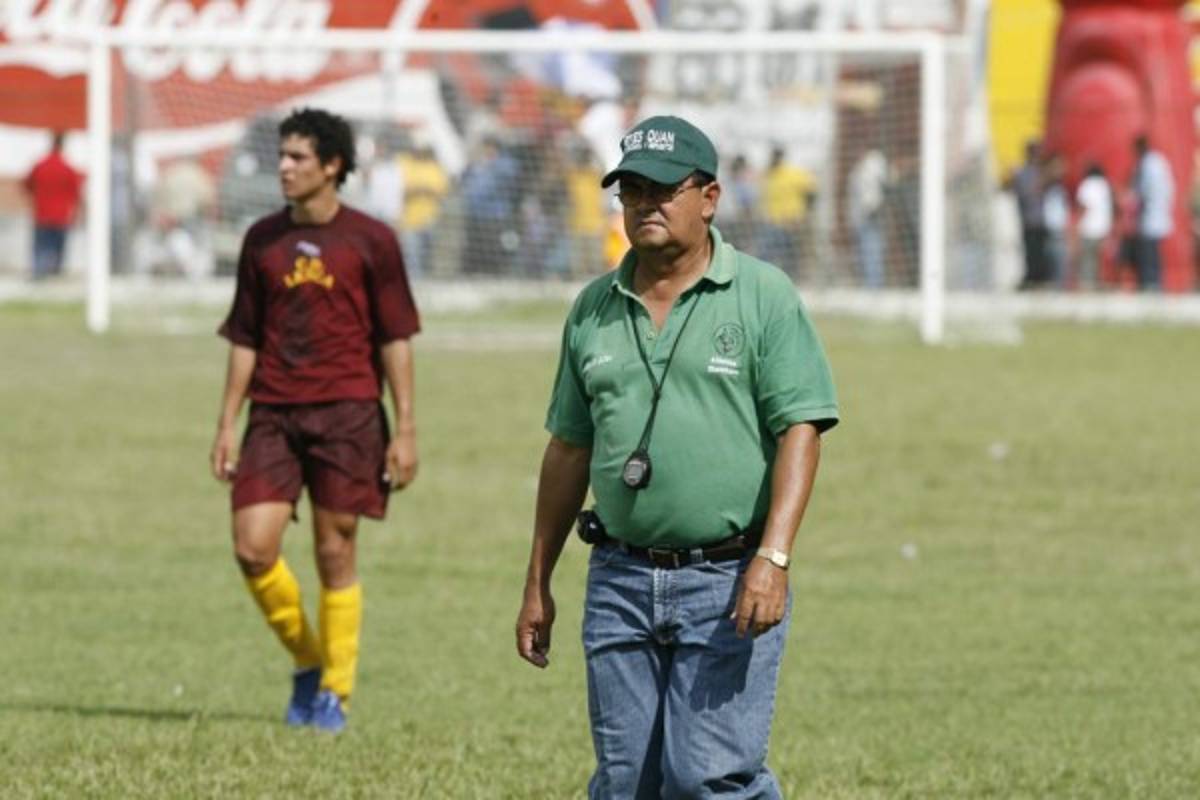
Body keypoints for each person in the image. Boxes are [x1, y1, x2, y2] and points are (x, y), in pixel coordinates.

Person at [515, 115, 839, 798]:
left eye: (663, 189)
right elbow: (568, 449)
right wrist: (537, 580)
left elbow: (801, 430)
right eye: (630, 190)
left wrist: (772, 559)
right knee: (627, 781)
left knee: (707, 779)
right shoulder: (593, 309)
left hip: (725, 580)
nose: (644, 204)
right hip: (619, 579)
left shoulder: (762, 296)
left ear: (710, 197)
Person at [210, 108, 420, 733]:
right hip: (272, 414)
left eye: (298, 157)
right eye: (281, 155)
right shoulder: (261, 240)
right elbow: (244, 338)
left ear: (333, 166)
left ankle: (335, 691)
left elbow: (396, 338)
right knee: (252, 548)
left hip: (349, 414)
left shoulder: (372, 240)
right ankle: (308, 659)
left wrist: (405, 426)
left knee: (335, 551)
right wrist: (226, 422)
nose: (284, 167)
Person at [22, 131, 85, 280]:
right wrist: (78, 213)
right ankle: (54, 277)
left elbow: (26, 185)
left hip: (42, 214)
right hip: (61, 216)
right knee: (58, 251)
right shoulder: (68, 169)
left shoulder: (40, 165)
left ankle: (38, 273)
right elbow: (76, 193)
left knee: (41, 248)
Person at [758, 145, 816, 280]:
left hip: (791, 221)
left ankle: (788, 279)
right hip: (774, 221)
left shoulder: (792, 173)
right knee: (772, 253)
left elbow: (811, 192)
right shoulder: (770, 174)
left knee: (786, 254)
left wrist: (805, 213)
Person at [1130, 134, 1174, 291]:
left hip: (1151, 215)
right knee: (1154, 254)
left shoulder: (1147, 165)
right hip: (1158, 213)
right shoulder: (1158, 162)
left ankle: (1151, 286)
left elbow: (1142, 191)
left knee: (1149, 255)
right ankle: (1154, 284)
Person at [846, 148, 889, 288]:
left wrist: (873, 208)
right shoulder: (859, 172)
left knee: (871, 250)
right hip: (863, 217)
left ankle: (874, 285)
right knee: (866, 252)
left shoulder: (871, 167)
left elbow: (875, 193)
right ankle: (870, 283)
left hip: (871, 215)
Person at [1010, 139, 1046, 289]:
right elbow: (1025, 193)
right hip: (1029, 220)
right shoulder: (1024, 173)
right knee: (1030, 252)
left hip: (1041, 220)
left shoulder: (1040, 171)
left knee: (1040, 252)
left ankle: (1039, 279)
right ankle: (1031, 280)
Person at [1074, 162, 1113, 290]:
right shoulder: (1105, 185)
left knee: (1086, 260)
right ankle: (1097, 285)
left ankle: (1087, 287)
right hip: (1103, 228)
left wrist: (1076, 224)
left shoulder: (1086, 185)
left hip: (1088, 227)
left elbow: (1083, 206)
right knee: (1098, 261)